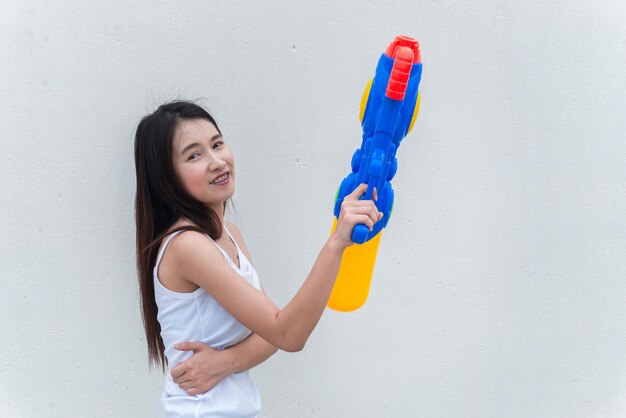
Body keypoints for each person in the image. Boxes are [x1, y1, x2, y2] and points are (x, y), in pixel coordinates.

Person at [134, 100, 382, 417]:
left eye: (217, 144)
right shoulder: (188, 246)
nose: (216, 162)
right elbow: (287, 333)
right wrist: (335, 244)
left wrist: (225, 361)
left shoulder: (229, 234)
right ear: (167, 179)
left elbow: (271, 334)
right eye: (194, 155)